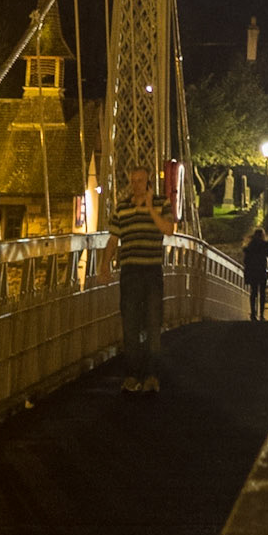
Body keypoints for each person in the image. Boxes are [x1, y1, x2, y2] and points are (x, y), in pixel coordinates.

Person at [103, 166, 170, 393]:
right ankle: (133, 375)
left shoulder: (162, 204)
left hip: (151, 270)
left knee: (153, 323)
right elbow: (113, 239)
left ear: (149, 182)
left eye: (141, 180)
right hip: (130, 271)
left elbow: (168, 229)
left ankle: (151, 375)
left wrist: (150, 207)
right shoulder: (122, 208)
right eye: (134, 181)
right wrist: (104, 264)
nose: (137, 185)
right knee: (130, 324)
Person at [243, 225, 268, 321]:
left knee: (253, 292)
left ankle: (253, 313)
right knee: (262, 293)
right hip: (262, 270)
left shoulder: (250, 246)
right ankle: (262, 314)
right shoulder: (264, 245)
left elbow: (245, 260)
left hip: (253, 271)